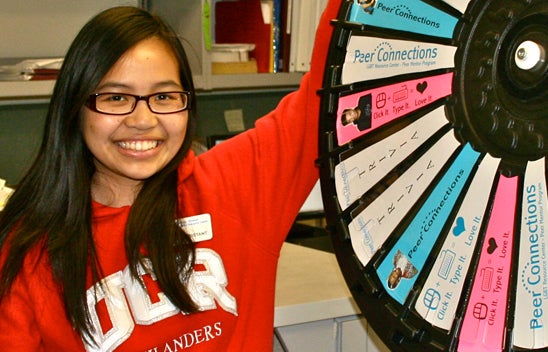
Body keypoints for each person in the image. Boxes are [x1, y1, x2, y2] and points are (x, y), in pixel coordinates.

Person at [0, 1, 340, 351]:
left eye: (163, 96)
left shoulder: (237, 184)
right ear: (76, 107)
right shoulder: (30, 251)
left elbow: (330, 83)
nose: (143, 119)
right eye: (116, 97)